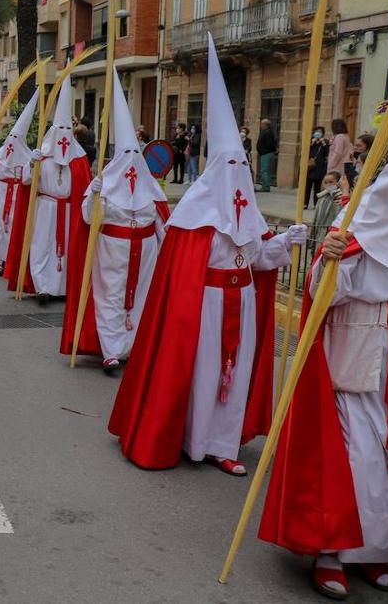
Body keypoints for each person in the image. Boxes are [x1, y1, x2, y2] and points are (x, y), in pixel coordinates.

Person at [109, 35, 306, 477]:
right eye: (230, 168)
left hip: (243, 305)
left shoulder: (248, 215)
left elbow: (257, 258)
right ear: (218, 172)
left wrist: (285, 243)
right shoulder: (191, 219)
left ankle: (223, 444)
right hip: (204, 309)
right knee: (200, 374)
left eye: (243, 169)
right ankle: (192, 439)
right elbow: (181, 277)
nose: (238, 180)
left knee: (233, 379)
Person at [257, 150, 388, 598]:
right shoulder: (353, 234)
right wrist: (329, 259)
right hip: (351, 374)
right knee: (355, 467)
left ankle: (378, 550)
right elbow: (320, 292)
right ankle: (331, 552)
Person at [63, 70, 170, 371]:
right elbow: (88, 218)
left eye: (133, 154)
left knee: (140, 299)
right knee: (110, 297)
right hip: (111, 249)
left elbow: (163, 224)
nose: (131, 166)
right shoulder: (104, 183)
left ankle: (131, 347)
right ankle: (110, 349)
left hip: (145, 250)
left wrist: (170, 246)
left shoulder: (149, 188)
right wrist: (93, 196)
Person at [9, 77, 92, 304]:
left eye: (68, 129)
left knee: (65, 248)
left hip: (68, 209)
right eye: (60, 129)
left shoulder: (79, 159)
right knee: (41, 246)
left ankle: (62, 287)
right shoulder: (42, 156)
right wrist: (32, 164)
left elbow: (84, 189)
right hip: (45, 208)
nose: (64, 135)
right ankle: (42, 286)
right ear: (54, 132)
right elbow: (26, 182)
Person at [0, 92, 38, 276]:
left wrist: (33, 164)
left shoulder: (27, 158)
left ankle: (10, 260)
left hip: (17, 194)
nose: (12, 145)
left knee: (13, 228)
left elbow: (27, 179)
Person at [310, 170, 344, 249]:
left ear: (338, 183)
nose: (328, 185)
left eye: (331, 182)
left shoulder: (339, 196)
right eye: (325, 182)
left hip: (330, 230)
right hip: (319, 229)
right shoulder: (322, 196)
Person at [305, 126, 329, 209]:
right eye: (316, 131)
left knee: (317, 187)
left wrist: (324, 144)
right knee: (307, 187)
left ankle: (316, 204)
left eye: (320, 132)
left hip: (319, 167)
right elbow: (305, 152)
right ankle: (305, 203)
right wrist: (311, 144)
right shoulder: (310, 141)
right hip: (310, 167)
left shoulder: (325, 142)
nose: (318, 133)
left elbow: (327, 153)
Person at [256, 118, 277, 192]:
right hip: (264, 153)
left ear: (265, 125)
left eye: (262, 124)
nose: (261, 125)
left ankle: (265, 187)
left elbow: (270, 144)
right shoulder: (266, 132)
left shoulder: (267, 132)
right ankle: (265, 185)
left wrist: (263, 150)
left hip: (266, 153)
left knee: (264, 171)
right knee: (264, 170)